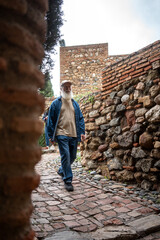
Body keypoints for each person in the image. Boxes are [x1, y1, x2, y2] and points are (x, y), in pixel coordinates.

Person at [47, 80, 85, 191]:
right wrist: (50, 135)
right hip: (61, 133)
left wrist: (82, 132)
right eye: (65, 87)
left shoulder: (75, 103)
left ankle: (61, 170)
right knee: (66, 156)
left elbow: (80, 119)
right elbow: (51, 120)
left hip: (73, 134)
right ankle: (68, 180)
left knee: (73, 156)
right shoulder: (56, 103)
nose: (68, 88)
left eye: (69, 87)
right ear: (61, 88)